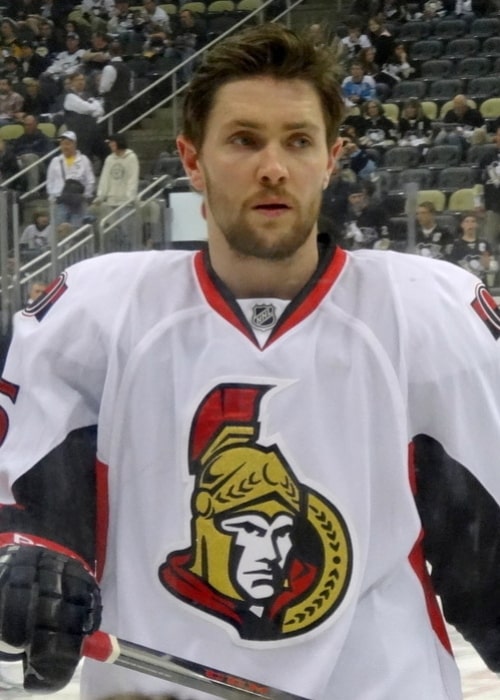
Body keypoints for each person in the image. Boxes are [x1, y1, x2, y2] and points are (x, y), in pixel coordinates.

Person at [1, 22, 500, 700]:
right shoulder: (96, 316)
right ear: (190, 160)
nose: (274, 166)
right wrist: (34, 566)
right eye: (243, 140)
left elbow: (490, 556)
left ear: (332, 158)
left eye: (298, 141)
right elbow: (30, 510)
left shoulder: (428, 316)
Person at [92, 132, 140, 250]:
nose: (110, 145)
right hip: (111, 202)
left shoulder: (131, 157)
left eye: (112, 143)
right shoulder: (109, 159)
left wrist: (130, 197)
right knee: (113, 232)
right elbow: (105, 178)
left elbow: (132, 178)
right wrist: (101, 196)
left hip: (125, 203)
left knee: (126, 232)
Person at [46, 129, 95, 229]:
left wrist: (85, 196)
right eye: (62, 144)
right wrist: (53, 198)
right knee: (59, 231)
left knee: (77, 231)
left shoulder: (84, 160)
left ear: (74, 144)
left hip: (78, 202)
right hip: (60, 201)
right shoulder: (55, 161)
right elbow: (50, 181)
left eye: (68, 144)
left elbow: (90, 181)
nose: (65, 147)